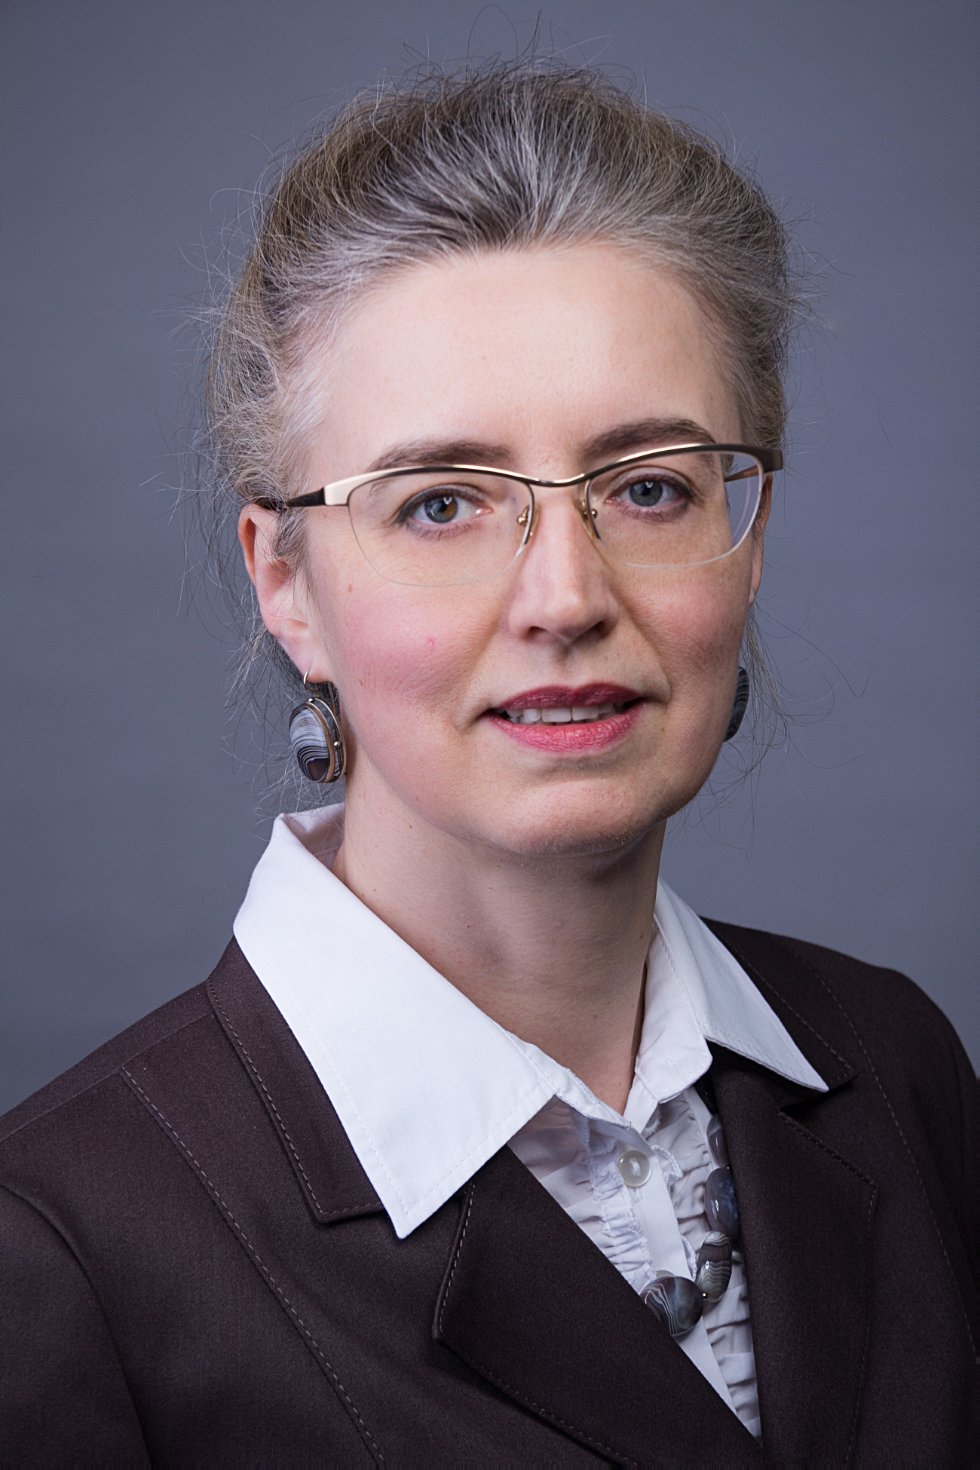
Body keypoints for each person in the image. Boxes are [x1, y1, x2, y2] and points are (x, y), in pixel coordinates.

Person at [1, 64, 974, 1465]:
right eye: (443, 503)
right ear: (286, 580)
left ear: (749, 536)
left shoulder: (895, 1061)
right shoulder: (56, 1252)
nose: (565, 597)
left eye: (650, 486)